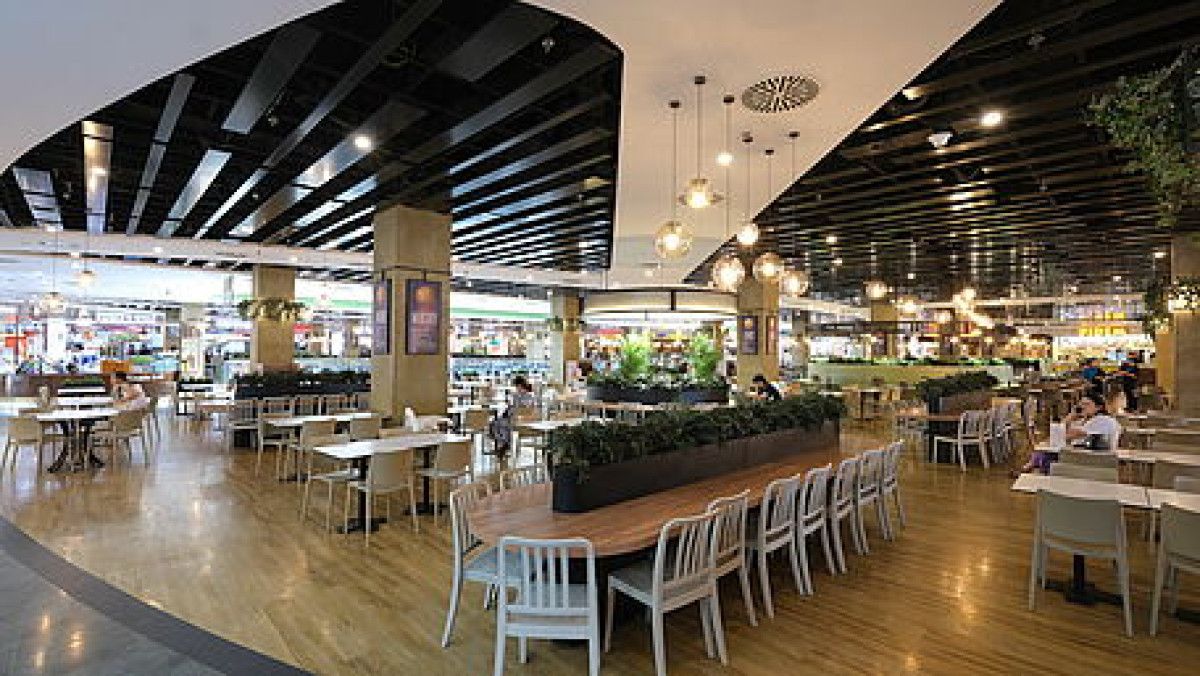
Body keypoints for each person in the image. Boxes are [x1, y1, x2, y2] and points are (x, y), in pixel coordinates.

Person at [1015, 393, 1121, 476]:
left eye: (1087, 404)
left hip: (1095, 460)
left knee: (1046, 453)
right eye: (1081, 404)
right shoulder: (1084, 421)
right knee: (1045, 451)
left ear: (1099, 407)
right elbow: (1059, 435)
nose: (1082, 407)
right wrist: (1070, 418)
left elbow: (1063, 436)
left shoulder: (1103, 420)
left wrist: (1069, 419)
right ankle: (1031, 468)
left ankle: (1031, 469)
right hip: (1085, 456)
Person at [487, 375, 538, 461]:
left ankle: (504, 443)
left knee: (495, 424)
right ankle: (504, 443)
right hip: (518, 419)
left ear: (519, 386)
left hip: (517, 420)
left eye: (516, 386)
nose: (516, 388)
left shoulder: (522, 396)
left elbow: (519, 410)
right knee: (499, 425)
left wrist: (511, 410)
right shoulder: (528, 396)